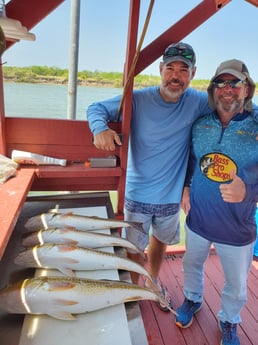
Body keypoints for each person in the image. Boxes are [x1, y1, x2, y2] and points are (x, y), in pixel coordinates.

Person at [87, 41, 211, 311]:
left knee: (161, 241)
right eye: (170, 68)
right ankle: (134, 285)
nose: (175, 76)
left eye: (183, 70)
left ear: (193, 73)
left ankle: (152, 280)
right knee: (133, 246)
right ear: (160, 69)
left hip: (170, 196)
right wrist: (100, 129)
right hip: (137, 193)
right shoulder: (138, 99)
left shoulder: (199, 101)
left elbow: (234, 104)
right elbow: (96, 108)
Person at [175, 59, 258, 345]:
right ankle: (192, 299)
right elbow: (190, 159)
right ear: (212, 89)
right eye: (220, 83)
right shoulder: (200, 124)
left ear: (247, 88)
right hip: (198, 218)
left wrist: (248, 192)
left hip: (238, 227)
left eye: (234, 83)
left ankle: (229, 320)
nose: (227, 89)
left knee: (236, 285)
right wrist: (185, 187)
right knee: (191, 264)